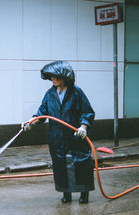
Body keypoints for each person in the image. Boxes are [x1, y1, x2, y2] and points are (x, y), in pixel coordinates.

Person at [22, 61, 95, 204]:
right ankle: (66, 193)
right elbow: (42, 113)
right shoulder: (50, 94)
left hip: (75, 137)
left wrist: (83, 127)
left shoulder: (76, 92)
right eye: (51, 77)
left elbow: (87, 112)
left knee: (80, 164)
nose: (53, 79)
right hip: (57, 138)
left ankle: (84, 193)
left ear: (65, 77)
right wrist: (30, 122)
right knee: (60, 165)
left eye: (56, 76)